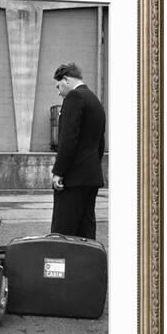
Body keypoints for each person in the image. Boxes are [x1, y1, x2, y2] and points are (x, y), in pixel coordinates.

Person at [51, 62, 106, 239]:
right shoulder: (94, 100)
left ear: (66, 79)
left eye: (58, 85)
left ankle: (66, 266)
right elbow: (100, 142)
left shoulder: (74, 98)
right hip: (91, 176)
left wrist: (59, 172)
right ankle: (88, 265)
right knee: (85, 230)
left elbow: (68, 139)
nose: (58, 91)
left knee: (63, 232)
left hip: (73, 178)